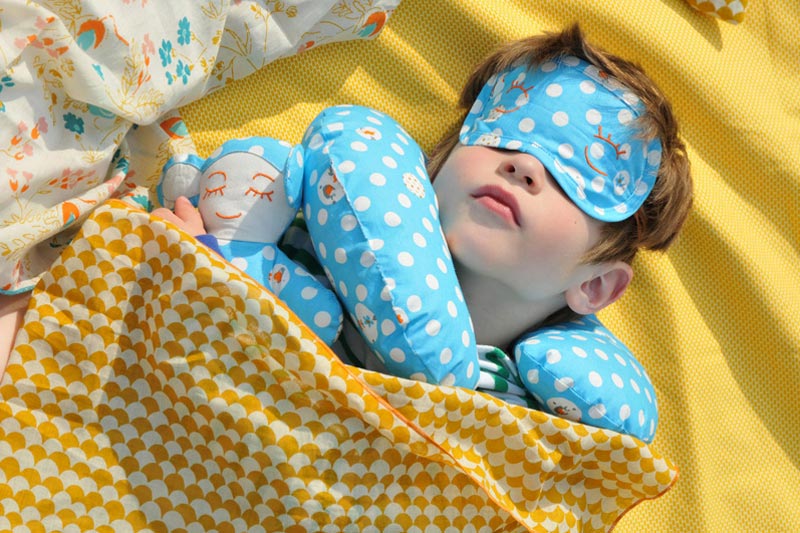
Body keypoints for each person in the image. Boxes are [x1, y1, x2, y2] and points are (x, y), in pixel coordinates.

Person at [0, 24, 692, 385]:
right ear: (432, 169)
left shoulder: (538, 406)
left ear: (596, 285)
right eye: (501, 138)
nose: (523, 164)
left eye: (578, 182)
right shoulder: (302, 229)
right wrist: (187, 260)